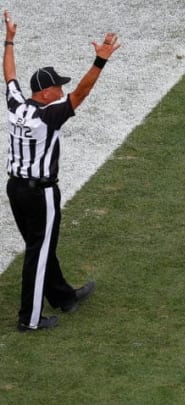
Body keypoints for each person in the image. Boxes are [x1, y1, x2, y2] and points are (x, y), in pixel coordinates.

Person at [3, 10, 121, 332]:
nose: (60, 91)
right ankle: (29, 319)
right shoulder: (48, 116)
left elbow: (9, 75)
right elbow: (81, 94)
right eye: (57, 87)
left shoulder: (16, 106)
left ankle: (64, 296)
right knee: (38, 254)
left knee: (39, 247)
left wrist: (10, 39)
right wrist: (100, 62)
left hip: (15, 189)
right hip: (40, 192)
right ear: (45, 92)